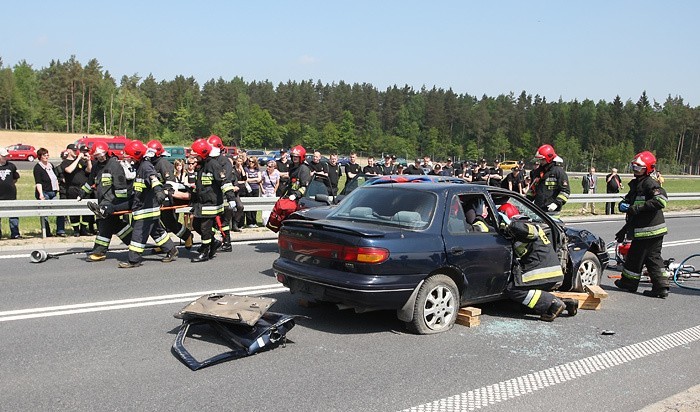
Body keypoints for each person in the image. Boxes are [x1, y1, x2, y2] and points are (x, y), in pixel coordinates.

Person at [498, 203, 578, 321]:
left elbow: (530, 232)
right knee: (525, 305)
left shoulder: (522, 225)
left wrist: (510, 226)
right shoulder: (528, 225)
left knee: (514, 290)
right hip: (551, 270)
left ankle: (553, 304)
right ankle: (568, 303)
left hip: (541, 271)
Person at [614, 151, 669, 298]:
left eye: (639, 168)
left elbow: (661, 201)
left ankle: (629, 283)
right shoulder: (637, 184)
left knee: (636, 257)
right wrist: (624, 204)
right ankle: (661, 286)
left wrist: (637, 208)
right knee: (651, 258)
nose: (635, 170)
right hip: (647, 230)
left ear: (648, 168)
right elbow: (629, 200)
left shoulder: (650, 183)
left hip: (649, 230)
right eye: (634, 167)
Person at [117, 140, 177, 268]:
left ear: (135, 155)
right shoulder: (139, 166)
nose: (127, 159)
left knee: (138, 235)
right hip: (145, 207)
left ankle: (134, 260)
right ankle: (171, 250)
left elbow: (153, 178)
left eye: (129, 156)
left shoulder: (145, 166)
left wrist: (158, 191)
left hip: (146, 209)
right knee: (157, 232)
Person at [82, 142, 133, 262]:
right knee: (116, 225)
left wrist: (118, 204)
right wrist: (82, 193)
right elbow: (90, 182)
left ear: (107, 152)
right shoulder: (96, 166)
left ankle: (99, 252)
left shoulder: (114, 165)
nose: (100, 157)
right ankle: (135, 244)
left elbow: (120, 186)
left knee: (104, 225)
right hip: (102, 201)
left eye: (102, 155)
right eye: (97, 156)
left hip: (112, 202)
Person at [189, 138, 236, 262]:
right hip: (202, 203)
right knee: (196, 225)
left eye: (196, 156)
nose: (194, 158)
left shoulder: (213, 165)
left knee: (205, 228)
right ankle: (213, 242)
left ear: (203, 154)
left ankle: (204, 252)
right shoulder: (202, 165)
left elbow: (224, 182)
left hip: (211, 204)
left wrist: (231, 198)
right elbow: (200, 186)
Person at [147, 139, 193, 249]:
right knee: (156, 222)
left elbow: (170, 183)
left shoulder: (163, 164)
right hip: (155, 198)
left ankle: (187, 236)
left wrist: (162, 194)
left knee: (169, 223)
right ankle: (164, 243)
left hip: (165, 199)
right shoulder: (151, 164)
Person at [526, 144, 570, 219]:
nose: (540, 162)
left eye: (542, 160)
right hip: (538, 211)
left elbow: (565, 191)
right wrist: (525, 202)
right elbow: (532, 190)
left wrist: (556, 203)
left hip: (552, 213)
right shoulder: (537, 172)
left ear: (549, 158)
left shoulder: (558, 172)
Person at [61, 143, 93, 236]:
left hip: (83, 188)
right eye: (74, 151)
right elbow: (69, 170)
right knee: (74, 210)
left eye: (76, 150)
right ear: (68, 151)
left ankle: (83, 229)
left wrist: (88, 161)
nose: (76, 152)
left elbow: (89, 170)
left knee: (86, 209)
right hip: (72, 189)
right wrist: (78, 158)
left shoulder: (80, 162)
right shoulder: (65, 162)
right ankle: (76, 230)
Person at [33, 147, 66, 237]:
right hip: (44, 192)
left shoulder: (50, 165)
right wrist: (41, 195)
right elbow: (38, 182)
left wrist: (58, 187)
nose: (46, 156)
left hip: (53, 192)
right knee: (45, 213)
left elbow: (55, 177)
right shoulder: (38, 167)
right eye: (44, 155)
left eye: (47, 154)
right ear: (40, 156)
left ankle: (60, 230)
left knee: (60, 211)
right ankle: (46, 232)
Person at [0, 147, 21, 239]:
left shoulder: (11, 166)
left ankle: (15, 233)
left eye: (6, 156)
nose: (5, 157)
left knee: (13, 215)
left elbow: (15, 178)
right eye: (3, 156)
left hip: (10, 195)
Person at [243, 155, 261, 227]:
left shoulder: (257, 170)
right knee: (249, 205)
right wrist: (255, 179)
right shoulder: (246, 169)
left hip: (256, 188)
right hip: (249, 189)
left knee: (255, 205)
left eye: (252, 162)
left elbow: (259, 179)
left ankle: (254, 221)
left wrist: (253, 180)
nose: (250, 163)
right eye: (249, 161)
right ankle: (249, 222)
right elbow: (246, 179)